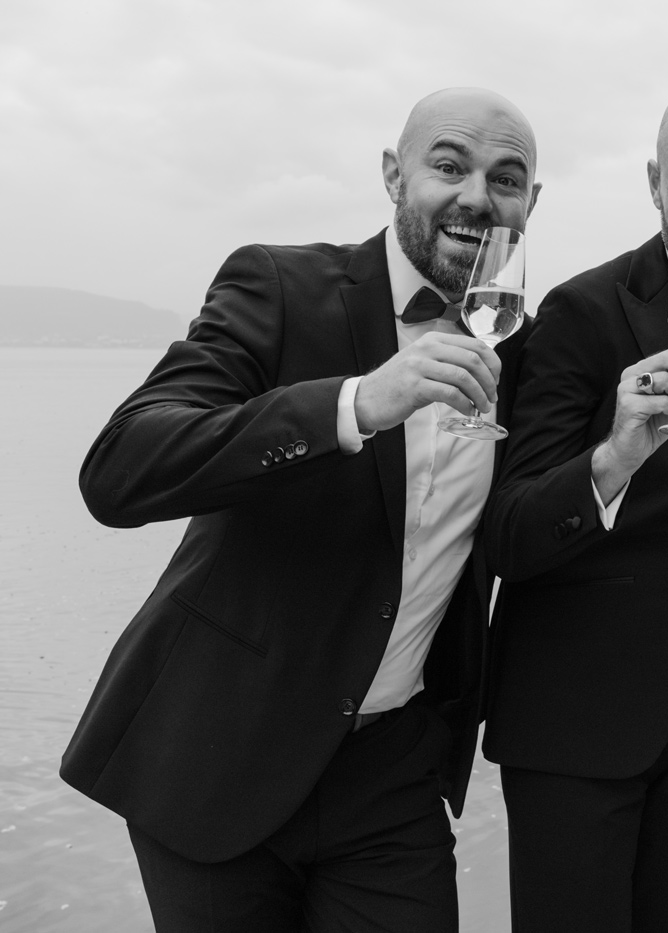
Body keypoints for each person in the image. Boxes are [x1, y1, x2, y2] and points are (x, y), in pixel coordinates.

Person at [63, 87, 542, 931]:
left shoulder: (522, 348)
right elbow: (121, 469)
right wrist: (352, 404)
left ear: (529, 203)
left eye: (505, 179)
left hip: (393, 774)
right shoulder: (279, 285)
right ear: (394, 175)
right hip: (220, 753)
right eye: (449, 166)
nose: (477, 196)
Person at [478, 79, 668, 932]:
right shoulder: (581, 312)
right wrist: (614, 457)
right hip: (573, 730)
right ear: (654, 183)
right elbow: (508, 534)